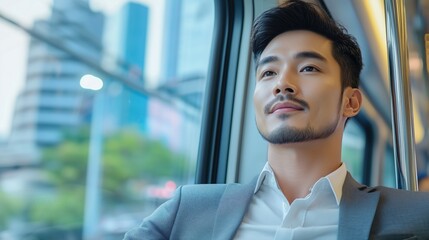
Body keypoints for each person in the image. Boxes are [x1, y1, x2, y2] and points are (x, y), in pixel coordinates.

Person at [124, 1, 429, 239]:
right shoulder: (188, 209)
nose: (282, 84)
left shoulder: (415, 214)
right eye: (268, 72)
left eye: (309, 68)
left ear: (351, 102)